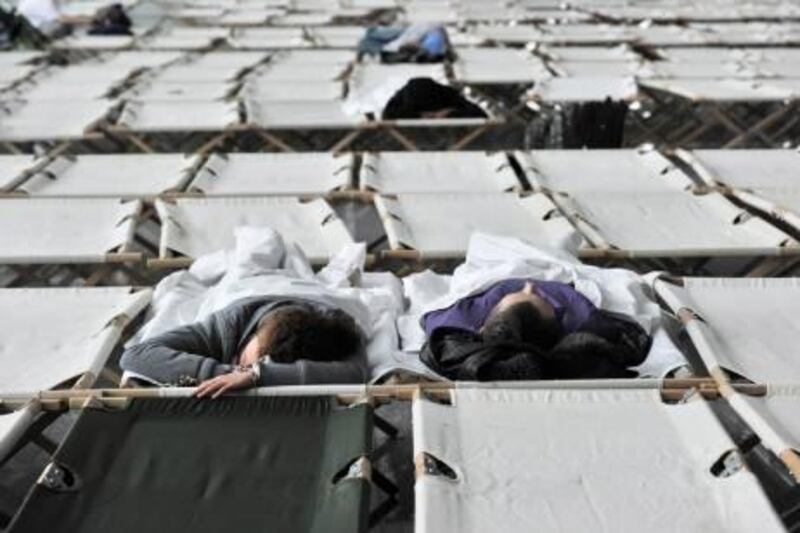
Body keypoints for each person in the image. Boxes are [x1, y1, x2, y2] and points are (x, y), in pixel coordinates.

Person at [120, 296, 366, 398]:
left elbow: (354, 374)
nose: (239, 368)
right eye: (244, 360)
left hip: (321, 298)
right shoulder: (227, 325)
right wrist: (223, 374)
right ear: (252, 335)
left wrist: (258, 375)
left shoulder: (336, 333)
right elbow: (135, 355)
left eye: (244, 367)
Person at [420, 279, 651, 381]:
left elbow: (430, 318)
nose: (530, 285)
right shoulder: (583, 321)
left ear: (481, 324)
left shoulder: (454, 325)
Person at [382, 77, 488, 120]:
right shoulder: (403, 97)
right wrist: (419, 115)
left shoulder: (446, 94)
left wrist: (450, 113)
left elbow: (480, 115)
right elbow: (387, 115)